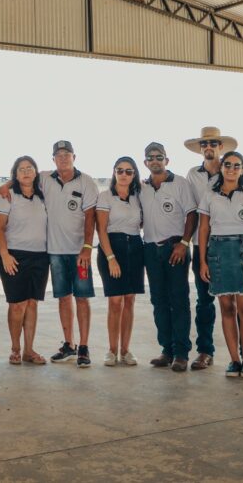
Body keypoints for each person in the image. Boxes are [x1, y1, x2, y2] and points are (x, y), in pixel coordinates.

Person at [184, 127, 243, 372]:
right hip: (208, 247)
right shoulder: (193, 176)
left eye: (214, 143)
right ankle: (208, 352)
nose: (209, 147)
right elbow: (197, 218)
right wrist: (200, 255)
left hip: (241, 249)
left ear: (221, 148)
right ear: (201, 148)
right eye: (205, 143)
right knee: (209, 303)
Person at [197, 151, 243, 378]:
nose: (231, 169)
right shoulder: (209, 196)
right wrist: (203, 262)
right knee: (227, 308)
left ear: (242, 170)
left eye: (237, 166)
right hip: (217, 251)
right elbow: (204, 229)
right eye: (228, 164)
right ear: (222, 168)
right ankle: (234, 361)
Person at [139, 142, 196, 373]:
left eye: (159, 157)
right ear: (145, 162)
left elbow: (191, 213)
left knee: (179, 301)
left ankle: (181, 353)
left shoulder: (180, 183)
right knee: (159, 301)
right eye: (151, 157)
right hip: (151, 250)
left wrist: (184, 243)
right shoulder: (141, 187)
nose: (155, 160)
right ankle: (167, 350)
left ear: (166, 160)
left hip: (175, 248)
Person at [0, 156, 50, 366]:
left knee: (32, 303)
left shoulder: (43, 196)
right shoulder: (7, 197)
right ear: (15, 175)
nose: (26, 172)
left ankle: (29, 350)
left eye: (29, 168)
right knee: (17, 304)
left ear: (36, 172)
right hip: (13, 255)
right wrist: (5, 255)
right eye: (21, 169)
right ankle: (15, 349)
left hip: (40, 256)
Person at [95, 157, 145, 367]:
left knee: (130, 300)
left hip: (135, 247)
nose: (124, 175)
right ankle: (111, 350)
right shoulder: (105, 196)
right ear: (114, 172)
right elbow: (101, 229)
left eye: (129, 171)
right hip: (112, 247)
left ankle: (125, 350)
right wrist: (111, 258)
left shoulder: (138, 196)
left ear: (134, 175)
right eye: (120, 170)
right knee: (115, 302)